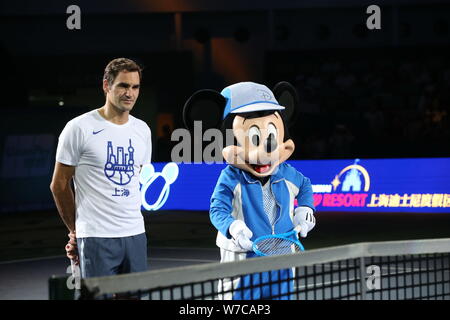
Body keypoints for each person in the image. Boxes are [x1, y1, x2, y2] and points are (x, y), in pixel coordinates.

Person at [50, 58, 152, 280]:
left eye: (135, 87)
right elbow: (59, 185)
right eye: (123, 86)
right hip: (96, 236)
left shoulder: (142, 130)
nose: (130, 93)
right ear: (107, 85)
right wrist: (75, 231)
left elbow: (135, 178)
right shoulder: (78, 128)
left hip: (135, 234)